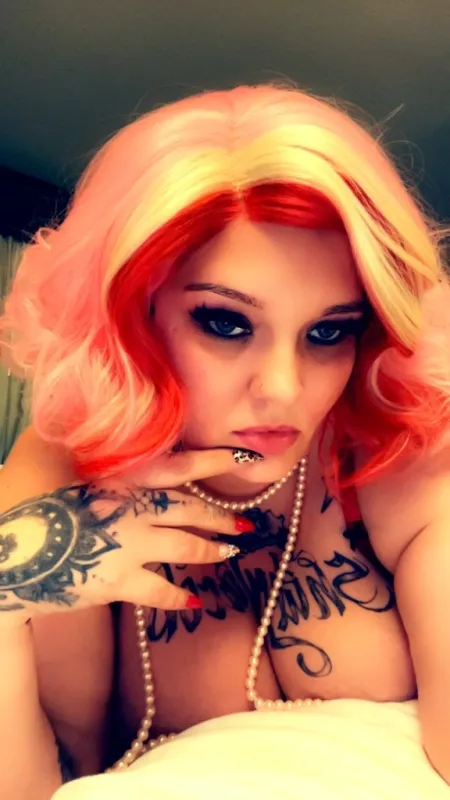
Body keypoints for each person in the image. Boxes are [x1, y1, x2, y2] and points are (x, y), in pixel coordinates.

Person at [1, 84, 450, 800]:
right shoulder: (66, 471)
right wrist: (11, 591)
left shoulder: (401, 450)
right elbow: (38, 786)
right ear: (133, 312)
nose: (283, 388)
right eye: (226, 323)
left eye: (328, 331)